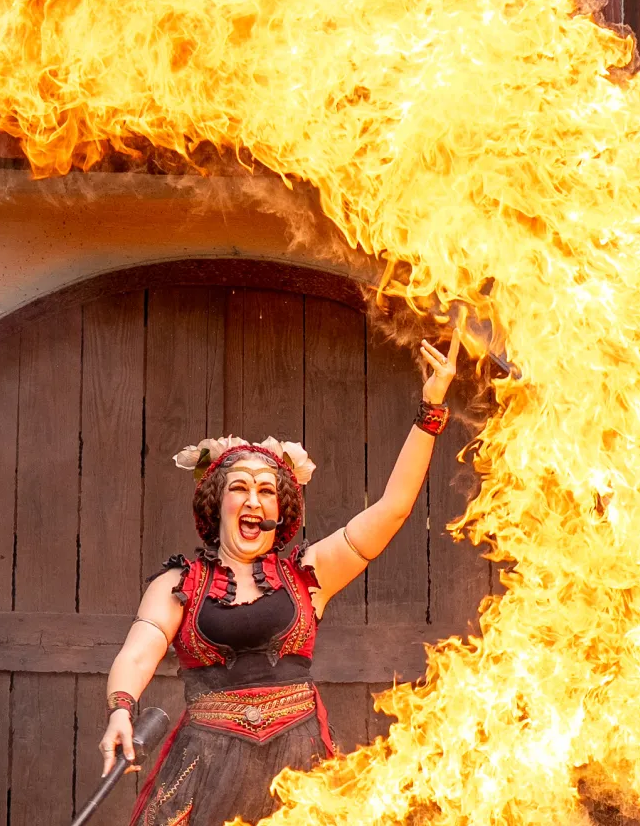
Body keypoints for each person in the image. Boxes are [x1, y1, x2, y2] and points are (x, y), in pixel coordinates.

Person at [98, 333, 459, 826]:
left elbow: (393, 509)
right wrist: (121, 710)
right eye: (240, 488)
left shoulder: (309, 575)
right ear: (216, 504)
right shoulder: (178, 584)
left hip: (299, 757)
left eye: (267, 491)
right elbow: (137, 654)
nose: (253, 500)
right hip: (205, 763)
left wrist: (431, 409)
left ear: (280, 510)